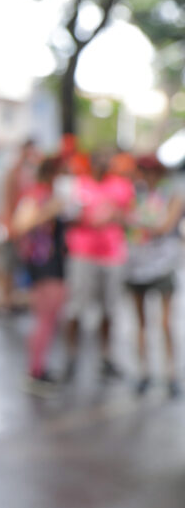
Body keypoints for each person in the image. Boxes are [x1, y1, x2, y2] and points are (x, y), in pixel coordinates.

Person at [63, 151, 135, 381]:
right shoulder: (77, 185)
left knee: (109, 308)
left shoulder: (122, 186)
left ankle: (106, 356)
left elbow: (131, 217)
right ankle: (71, 356)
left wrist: (115, 217)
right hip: (83, 253)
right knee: (76, 306)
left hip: (112, 254)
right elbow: (66, 215)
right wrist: (86, 219)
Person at [124, 154, 182, 397]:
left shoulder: (172, 195)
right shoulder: (133, 195)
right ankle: (144, 372)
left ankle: (171, 374)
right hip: (137, 263)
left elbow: (164, 226)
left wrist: (135, 223)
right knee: (141, 323)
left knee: (166, 323)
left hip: (163, 263)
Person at [10, 156, 67, 390]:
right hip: (43, 264)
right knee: (44, 320)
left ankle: (39, 367)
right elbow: (19, 226)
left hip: (52, 263)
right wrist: (48, 211)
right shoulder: (37, 196)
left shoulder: (52, 196)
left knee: (49, 320)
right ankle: (35, 371)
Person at [0, 139, 40, 312]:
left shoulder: (30, 172)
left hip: (24, 225)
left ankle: (14, 297)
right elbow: (7, 200)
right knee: (7, 265)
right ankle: (6, 301)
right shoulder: (13, 172)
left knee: (18, 264)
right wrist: (9, 225)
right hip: (11, 226)